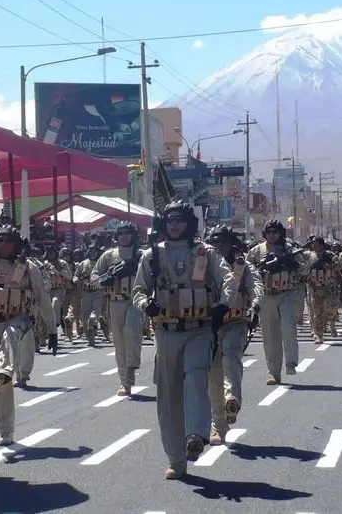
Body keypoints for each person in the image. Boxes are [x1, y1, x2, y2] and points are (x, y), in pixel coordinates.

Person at [132, 200, 235, 480]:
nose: (174, 224)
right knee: (168, 396)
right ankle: (176, 459)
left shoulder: (206, 253)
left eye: (179, 220)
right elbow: (138, 291)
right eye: (169, 220)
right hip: (166, 332)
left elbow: (228, 279)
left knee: (196, 377)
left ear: (190, 224)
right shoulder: (152, 255)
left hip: (200, 328)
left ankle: (197, 435)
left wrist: (225, 303)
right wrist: (146, 305)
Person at [0, 225, 56, 445]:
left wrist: (52, 329)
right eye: (0, 240)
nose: (4, 245)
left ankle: (6, 371)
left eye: (9, 241)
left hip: (19, 318)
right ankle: (6, 431)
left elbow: (42, 297)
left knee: (10, 337)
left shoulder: (27, 267)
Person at [204, 224, 262, 445]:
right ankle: (219, 426)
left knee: (231, 359)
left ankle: (232, 398)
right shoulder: (202, 265)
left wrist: (255, 306)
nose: (218, 245)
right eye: (214, 241)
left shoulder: (242, 265)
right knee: (213, 373)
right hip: (209, 325)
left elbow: (256, 285)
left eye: (222, 241)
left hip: (236, 322)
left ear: (231, 244)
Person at [246, 219, 308, 384]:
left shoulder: (291, 250)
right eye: (269, 232)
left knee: (288, 326)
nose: (272, 235)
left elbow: (306, 269)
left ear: (281, 233)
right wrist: (263, 268)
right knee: (270, 335)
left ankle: (291, 363)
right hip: (266, 295)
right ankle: (274, 372)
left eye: (275, 232)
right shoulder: (256, 251)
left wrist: (291, 263)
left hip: (287, 292)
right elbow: (247, 273)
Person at [93, 221, 144, 397]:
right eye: (121, 233)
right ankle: (125, 382)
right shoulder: (109, 256)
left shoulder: (142, 254)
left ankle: (131, 366)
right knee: (119, 343)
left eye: (127, 233)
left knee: (132, 331)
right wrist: (104, 280)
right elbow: (95, 275)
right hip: (115, 301)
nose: (124, 236)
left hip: (136, 300)